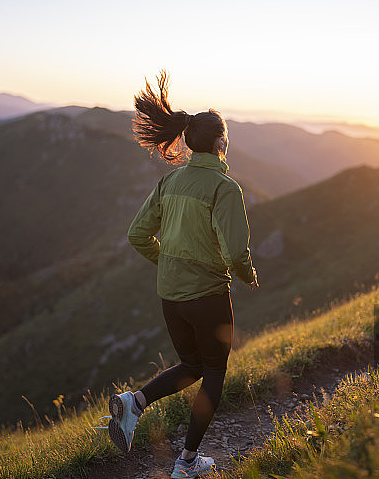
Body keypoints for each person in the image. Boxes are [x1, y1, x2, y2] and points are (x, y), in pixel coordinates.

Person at [107, 71, 258, 478]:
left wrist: (169, 263)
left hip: (170, 295)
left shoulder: (170, 180)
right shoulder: (225, 188)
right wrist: (248, 274)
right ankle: (187, 462)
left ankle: (134, 402)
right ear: (221, 143)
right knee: (214, 372)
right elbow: (235, 251)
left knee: (191, 365)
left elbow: (137, 235)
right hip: (208, 295)